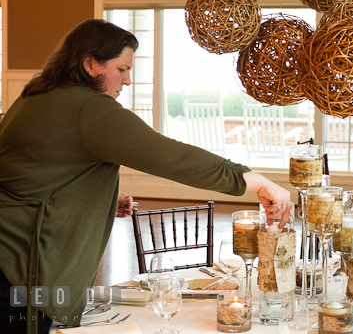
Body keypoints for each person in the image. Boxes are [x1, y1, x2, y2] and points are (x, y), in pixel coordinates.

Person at [0, 19, 291, 334]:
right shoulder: (90, 110)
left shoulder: (40, 94)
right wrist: (258, 181)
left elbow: (34, 172)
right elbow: (172, 157)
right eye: (122, 69)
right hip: (18, 267)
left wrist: (102, 200)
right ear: (90, 64)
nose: (127, 80)